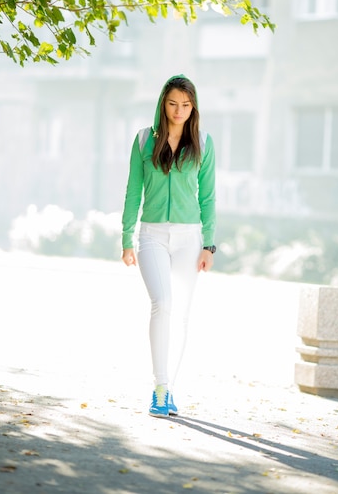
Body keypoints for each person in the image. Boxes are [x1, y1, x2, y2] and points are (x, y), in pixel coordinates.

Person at [121, 74, 216, 418]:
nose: (179, 111)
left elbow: (207, 197)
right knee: (162, 303)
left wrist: (209, 244)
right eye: (173, 103)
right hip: (152, 236)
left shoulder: (203, 142)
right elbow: (134, 190)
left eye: (186, 105)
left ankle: (170, 389)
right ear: (163, 103)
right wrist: (126, 237)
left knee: (182, 316)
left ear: (194, 107)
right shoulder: (145, 139)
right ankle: (159, 387)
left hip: (190, 238)